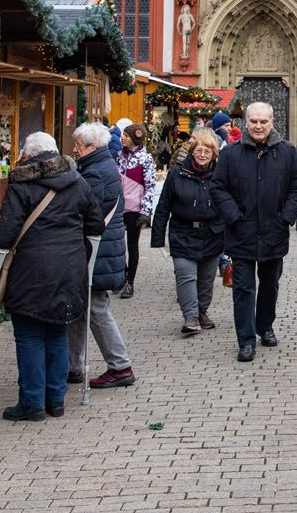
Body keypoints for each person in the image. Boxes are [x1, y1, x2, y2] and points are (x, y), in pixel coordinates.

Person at [0, 131, 102, 421]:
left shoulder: (22, 183)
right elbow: (95, 222)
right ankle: (55, 400)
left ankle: (32, 404)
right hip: (69, 268)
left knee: (29, 335)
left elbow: (3, 234)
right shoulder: (77, 181)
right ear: (56, 152)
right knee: (57, 330)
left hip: (31, 269)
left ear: (28, 155)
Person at [210, 102, 297, 362]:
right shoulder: (230, 154)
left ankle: (265, 326)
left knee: (270, 285)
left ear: (272, 122)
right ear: (246, 123)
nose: (258, 126)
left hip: (274, 232)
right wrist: (233, 216)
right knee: (243, 288)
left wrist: (286, 217)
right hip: (241, 231)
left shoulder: (286, 152)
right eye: (254, 121)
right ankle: (246, 340)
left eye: (263, 121)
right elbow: (218, 187)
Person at [66, 122, 137, 388]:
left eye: (78, 146)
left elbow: (86, 212)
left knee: (96, 308)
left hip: (98, 251)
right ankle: (73, 365)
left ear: (92, 147)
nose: (75, 150)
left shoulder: (96, 172)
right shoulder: (102, 166)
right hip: (103, 250)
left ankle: (120, 366)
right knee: (83, 308)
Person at [151, 128, 225, 334]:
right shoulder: (177, 174)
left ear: (214, 154)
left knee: (206, 278)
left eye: (207, 151)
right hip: (182, 233)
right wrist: (157, 238)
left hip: (212, 234)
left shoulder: (220, 175)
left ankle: (202, 311)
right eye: (199, 150)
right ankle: (190, 316)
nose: (202, 155)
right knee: (185, 275)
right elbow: (163, 206)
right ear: (192, 151)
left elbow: (229, 205)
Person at [115, 122, 157, 299]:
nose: (122, 137)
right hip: (118, 207)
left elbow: (150, 186)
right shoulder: (119, 156)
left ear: (134, 138)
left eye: (126, 135)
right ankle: (121, 276)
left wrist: (145, 211)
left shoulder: (145, 159)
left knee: (132, 245)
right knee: (118, 244)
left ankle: (129, 282)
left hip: (134, 209)